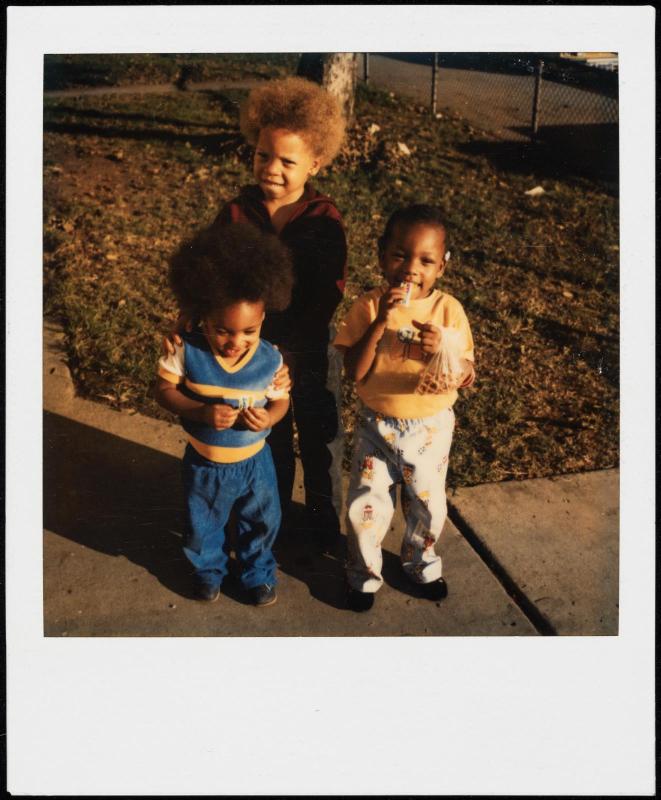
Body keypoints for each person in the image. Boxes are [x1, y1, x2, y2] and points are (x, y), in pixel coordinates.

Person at [166, 76, 348, 556]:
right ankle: (272, 517)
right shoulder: (237, 212)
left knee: (319, 433)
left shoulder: (323, 219)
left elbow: (328, 292)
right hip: (250, 345)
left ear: (315, 163)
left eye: (288, 161)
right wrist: (188, 314)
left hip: (308, 343)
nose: (272, 168)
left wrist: (292, 352)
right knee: (265, 431)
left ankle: (324, 523)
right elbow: (209, 273)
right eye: (263, 155)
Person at [333, 205, 476, 612]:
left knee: (427, 506)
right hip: (376, 425)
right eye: (400, 256)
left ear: (441, 267)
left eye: (426, 261)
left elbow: (466, 373)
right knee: (366, 505)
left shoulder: (448, 311)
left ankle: (420, 563)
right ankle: (363, 575)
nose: (411, 269)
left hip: (429, 427)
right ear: (382, 256)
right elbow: (354, 371)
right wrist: (381, 322)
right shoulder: (368, 307)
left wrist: (443, 350)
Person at [154, 223, 294, 607]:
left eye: (249, 331)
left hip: (255, 464)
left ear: (263, 319)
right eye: (222, 331)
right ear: (202, 316)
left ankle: (257, 573)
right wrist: (200, 411)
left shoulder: (270, 359)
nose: (236, 342)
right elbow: (163, 391)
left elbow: (280, 402)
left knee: (261, 522)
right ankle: (207, 571)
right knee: (202, 524)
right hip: (205, 464)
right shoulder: (186, 351)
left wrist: (271, 418)